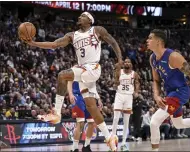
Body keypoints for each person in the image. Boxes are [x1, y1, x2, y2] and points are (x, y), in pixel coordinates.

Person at [25, 12, 122, 151]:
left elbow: (112, 41)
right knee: (92, 108)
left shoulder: (97, 30)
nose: (79, 18)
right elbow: (54, 44)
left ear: (89, 20)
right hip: (83, 71)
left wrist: (119, 60)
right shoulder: (72, 35)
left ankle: (57, 114)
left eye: (82, 16)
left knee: (62, 75)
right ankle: (109, 138)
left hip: (93, 67)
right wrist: (33, 43)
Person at [111, 58, 140, 151]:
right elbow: (115, 82)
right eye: (126, 62)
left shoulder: (134, 74)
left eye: (129, 62)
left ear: (131, 64)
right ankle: (112, 142)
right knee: (115, 118)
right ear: (124, 64)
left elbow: (137, 83)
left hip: (128, 97)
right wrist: (115, 80)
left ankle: (123, 143)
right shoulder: (119, 72)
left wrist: (136, 92)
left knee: (126, 121)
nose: (127, 63)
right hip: (119, 95)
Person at [68, 81, 102, 152]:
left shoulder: (91, 71)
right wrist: (70, 94)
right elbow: (69, 81)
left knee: (91, 123)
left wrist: (98, 98)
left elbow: (92, 86)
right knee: (80, 123)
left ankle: (86, 145)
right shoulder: (74, 70)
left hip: (89, 97)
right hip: (78, 97)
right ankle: (74, 148)